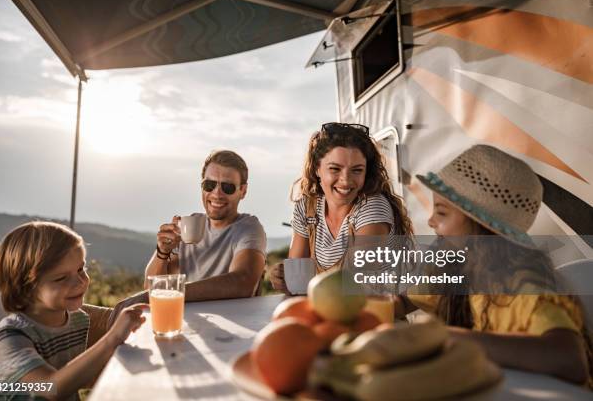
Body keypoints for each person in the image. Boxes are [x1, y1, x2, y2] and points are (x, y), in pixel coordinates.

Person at [395, 144, 591, 386]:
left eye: (442, 213)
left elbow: (569, 361)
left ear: (481, 229)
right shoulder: (452, 269)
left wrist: (452, 338)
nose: (431, 221)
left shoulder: (524, 285)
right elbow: (405, 300)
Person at [0, 221, 146, 400]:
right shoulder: (8, 339)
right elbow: (51, 389)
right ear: (25, 287)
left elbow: (74, 376)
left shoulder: (77, 320)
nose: (80, 282)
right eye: (61, 278)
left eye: (81, 269)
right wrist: (112, 338)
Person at [269, 122, 413, 292]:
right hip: (326, 310)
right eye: (335, 169)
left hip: (374, 313)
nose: (346, 180)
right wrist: (284, 280)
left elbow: (357, 285)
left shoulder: (372, 207)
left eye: (357, 170)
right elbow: (298, 280)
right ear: (317, 169)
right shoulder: (307, 208)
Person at [145, 150, 267, 301]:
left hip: (232, 323)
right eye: (209, 185)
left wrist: (175, 292)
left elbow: (242, 283)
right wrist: (162, 253)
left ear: (243, 191)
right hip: (184, 321)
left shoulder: (248, 228)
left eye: (227, 187)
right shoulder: (187, 225)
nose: (217, 194)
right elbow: (150, 290)